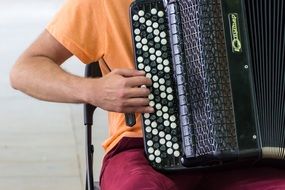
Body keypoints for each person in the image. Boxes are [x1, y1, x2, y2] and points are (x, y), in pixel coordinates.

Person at [10, 0, 285, 189]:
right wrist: (93, 90)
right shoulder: (102, 4)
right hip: (142, 149)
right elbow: (24, 70)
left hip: (251, 153)